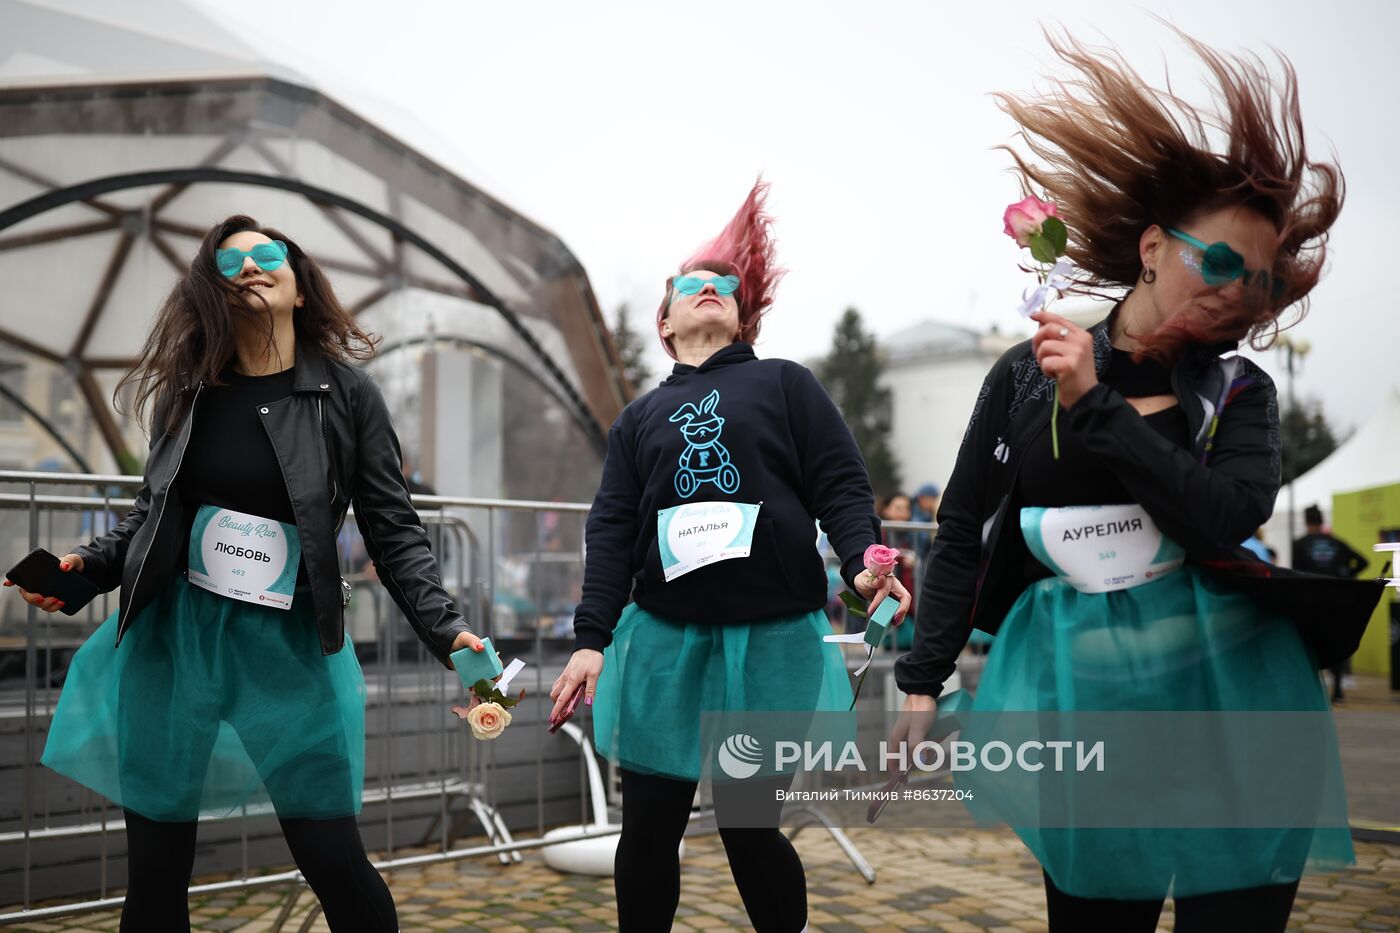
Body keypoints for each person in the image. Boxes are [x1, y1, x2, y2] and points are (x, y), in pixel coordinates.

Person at [890, 29, 1347, 932]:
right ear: (1150, 246)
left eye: (1256, 283)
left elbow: (1221, 514)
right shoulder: (1027, 374)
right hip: (1083, 701)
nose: (1236, 292)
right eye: (1219, 261)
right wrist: (921, 681)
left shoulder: (1237, 391)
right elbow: (965, 526)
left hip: (1235, 695)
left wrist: (1096, 404)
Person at [5, 215, 488, 932]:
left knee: (333, 857)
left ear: (299, 288)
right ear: (214, 292)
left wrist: (447, 628)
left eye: (269, 256)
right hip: (177, 640)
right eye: (230, 264)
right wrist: (90, 567)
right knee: (157, 869)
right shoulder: (187, 393)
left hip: (288, 647)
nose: (251, 267)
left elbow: (396, 531)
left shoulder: (347, 397)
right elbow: (151, 514)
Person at [548, 182, 909, 932]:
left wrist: (859, 562)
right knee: (648, 831)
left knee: (749, 829)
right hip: (662, 645)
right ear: (666, 317)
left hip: (770, 643)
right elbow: (611, 529)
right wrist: (590, 640)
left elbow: (840, 483)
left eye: (725, 286)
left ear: (743, 313)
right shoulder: (638, 418)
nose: (710, 290)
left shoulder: (785, 383)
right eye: (692, 284)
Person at [1293, 504, 1368, 700]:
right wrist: (1347, 576)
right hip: (1335, 598)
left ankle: (1311, 691)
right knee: (1335, 642)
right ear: (1321, 521)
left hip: (1310, 599)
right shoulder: (1336, 543)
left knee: (1309, 643)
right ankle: (1338, 691)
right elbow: (1363, 561)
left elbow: (1294, 573)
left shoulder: (1299, 544)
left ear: (1306, 521)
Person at [878, 493, 919, 649]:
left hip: (909, 606)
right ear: (886, 510)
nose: (903, 513)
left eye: (906, 508)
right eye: (898, 508)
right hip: (885, 603)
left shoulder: (912, 536)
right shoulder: (880, 535)